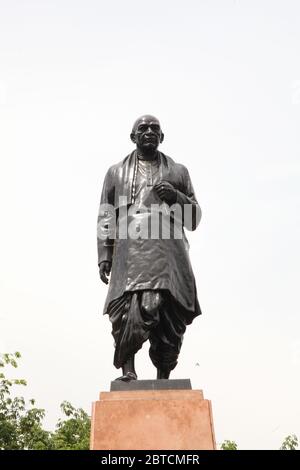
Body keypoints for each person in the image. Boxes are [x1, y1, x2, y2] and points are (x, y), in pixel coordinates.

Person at [97, 115, 201, 381]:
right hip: (130, 252)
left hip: (168, 252)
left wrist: (176, 197)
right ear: (133, 137)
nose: (149, 132)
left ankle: (163, 376)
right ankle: (128, 371)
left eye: (155, 129)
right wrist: (104, 256)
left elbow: (194, 219)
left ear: (162, 137)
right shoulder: (115, 173)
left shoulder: (179, 172)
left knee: (167, 312)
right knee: (126, 310)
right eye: (142, 128)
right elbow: (106, 216)